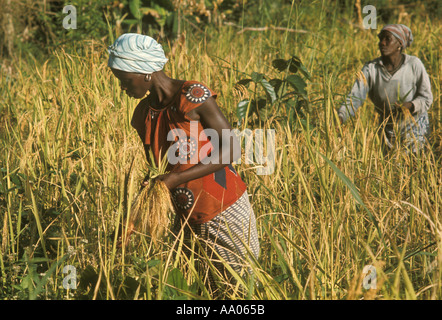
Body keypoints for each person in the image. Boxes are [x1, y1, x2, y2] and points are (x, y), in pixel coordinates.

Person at [107, 33, 260, 294]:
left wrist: (174, 180)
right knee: (205, 289)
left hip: (223, 206)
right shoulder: (143, 114)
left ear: (145, 73)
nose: (122, 87)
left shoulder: (193, 96)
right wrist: (132, 219)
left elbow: (231, 148)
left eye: (124, 79)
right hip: (185, 214)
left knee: (239, 289)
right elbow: (161, 171)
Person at [338, 24, 433, 153]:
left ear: (400, 44)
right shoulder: (371, 69)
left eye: (388, 39)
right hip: (388, 127)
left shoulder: (414, 65)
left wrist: (410, 106)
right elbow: (355, 97)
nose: (382, 43)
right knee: (391, 168)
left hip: (415, 126)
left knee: (412, 165)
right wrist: (341, 117)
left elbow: (426, 98)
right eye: (381, 39)